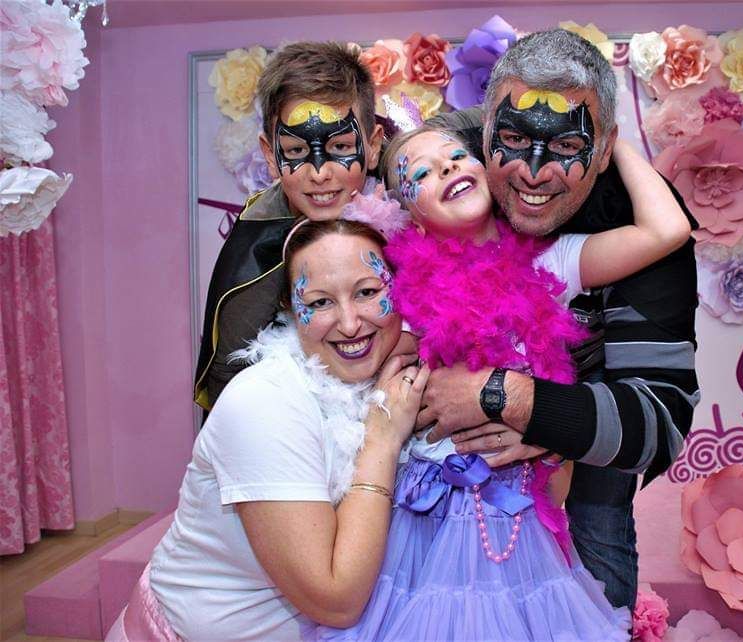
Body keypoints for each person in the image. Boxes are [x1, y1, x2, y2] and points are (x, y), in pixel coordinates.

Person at [303, 120, 687, 640]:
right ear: (410, 217)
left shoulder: (551, 262)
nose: (446, 167)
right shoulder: (399, 286)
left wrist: (604, 138)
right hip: (428, 514)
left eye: (456, 156)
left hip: (517, 511)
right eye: (421, 172)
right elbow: (362, 357)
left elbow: (666, 230)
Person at [421, 28, 702, 610]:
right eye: (514, 138)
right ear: (485, 130)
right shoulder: (450, 167)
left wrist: (513, 401)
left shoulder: (638, 217)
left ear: (603, 149)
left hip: (589, 427)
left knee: (598, 583)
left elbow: (659, 422)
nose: (534, 172)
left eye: (569, 146)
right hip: (444, 449)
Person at [106, 219, 427, 641]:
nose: (350, 323)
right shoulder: (264, 402)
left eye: (367, 292)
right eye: (320, 302)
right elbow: (336, 601)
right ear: (290, 311)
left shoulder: (388, 376)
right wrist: (381, 441)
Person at [194, 40, 385, 412]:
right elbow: (226, 384)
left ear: (374, 146)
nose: (319, 173)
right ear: (270, 155)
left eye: (341, 148)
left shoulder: (404, 193)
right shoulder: (255, 252)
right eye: (296, 152)